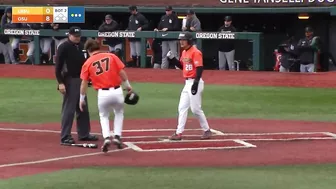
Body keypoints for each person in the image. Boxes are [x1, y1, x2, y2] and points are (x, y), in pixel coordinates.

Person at [79, 39, 133, 152]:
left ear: (89, 50)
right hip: (117, 91)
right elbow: (122, 72)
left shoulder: (87, 63)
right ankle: (117, 136)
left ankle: (107, 137)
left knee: (103, 116)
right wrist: (128, 86)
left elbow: (84, 83)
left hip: (103, 93)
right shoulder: (111, 56)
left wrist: (81, 99)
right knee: (119, 113)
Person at [55, 26, 98, 145]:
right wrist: (60, 83)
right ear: (69, 35)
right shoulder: (63, 47)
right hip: (70, 80)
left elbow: (85, 64)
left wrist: (88, 79)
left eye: (78, 36)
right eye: (75, 36)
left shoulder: (82, 46)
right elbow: (58, 67)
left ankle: (84, 134)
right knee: (69, 109)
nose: (77, 38)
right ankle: (65, 136)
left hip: (81, 80)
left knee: (83, 107)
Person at [166, 32, 212, 140]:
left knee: (195, 109)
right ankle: (179, 133)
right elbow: (183, 66)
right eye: (180, 40)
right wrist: (173, 59)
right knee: (182, 107)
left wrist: (195, 84)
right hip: (187, 83)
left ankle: (207, 130)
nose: (181, 41)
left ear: (189, 41)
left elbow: (200, 68)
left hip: (195, 82)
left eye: (183, 40)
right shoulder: (184, 53)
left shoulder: (195, 52)